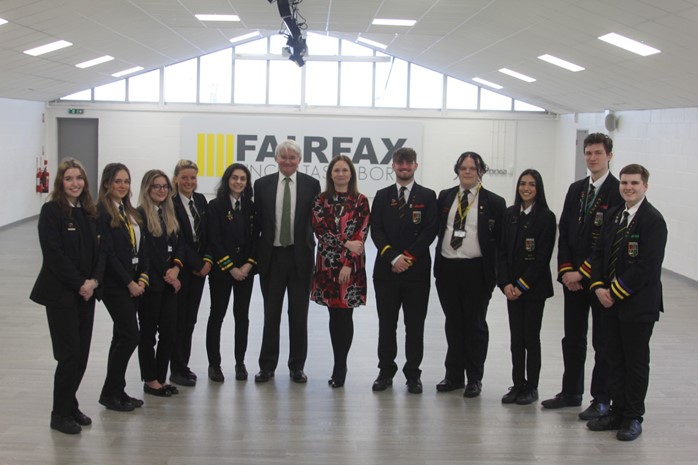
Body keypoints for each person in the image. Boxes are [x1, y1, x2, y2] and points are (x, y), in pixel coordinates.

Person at [542, 133, 623, 420]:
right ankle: (571, 392)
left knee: (602, 342)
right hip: (572, 282)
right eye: (588, 153)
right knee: (573, 338)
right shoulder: (576, 189)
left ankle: (601, 398)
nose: (592, 158)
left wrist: (583, 271)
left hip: (599, 281)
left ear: (609, 155)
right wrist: (566, 270)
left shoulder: (617, 190)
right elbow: (564, 231)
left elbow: (607, 241)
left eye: (598, 153)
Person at [587, 164, 667, 441]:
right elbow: (598, 254)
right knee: (614, 359)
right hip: (608, 303)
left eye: (634, 183)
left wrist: (614, 292)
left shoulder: (653, 221)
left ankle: (633, 416)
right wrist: (598, 287)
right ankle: (617, 411)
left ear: (645, 186)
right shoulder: (613, 215)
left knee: (635, 361)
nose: (628, 188)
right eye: (624, 183)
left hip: (637, 306)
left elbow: (646, 267)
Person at [30, 158, 104, 435]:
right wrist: (80, 284)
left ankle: (70, 403)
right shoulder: (51, 211)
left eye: (79, 178)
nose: (75, 183)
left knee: (82, 354)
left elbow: (100, 251)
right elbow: (54, 255)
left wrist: (94, 281)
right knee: (69, 354)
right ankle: (59, 414)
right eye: (69, 179)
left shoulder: (89, 212)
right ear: (61, 183)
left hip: (86, 294)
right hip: (62, 295)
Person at [434, 151, 506, 398]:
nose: (467, 172)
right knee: (453, 324)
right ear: (457, 171)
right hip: (448, 268)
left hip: (476, 271)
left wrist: (496, 275)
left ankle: (474, 378)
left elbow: (500, 244)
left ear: (480, 171)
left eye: (472, 168)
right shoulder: (444, 197)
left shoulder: (495, 202)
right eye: (463, 168)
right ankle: (453, 376)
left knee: (474, 326)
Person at [370, 147, 437, 394]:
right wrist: (392, 257)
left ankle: (413, 375)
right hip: (386, 272)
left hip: (416, 273)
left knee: (415, 325)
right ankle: (385, 371)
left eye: (409, 164)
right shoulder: (381, 195)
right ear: (393, 166)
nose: (404, 167)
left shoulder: (428, 196)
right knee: (387, 324)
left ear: (416, 166)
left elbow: (430, 231)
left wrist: (407, 258)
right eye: (400, 163)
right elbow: (375, 230)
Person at [253, 140, 321, 383]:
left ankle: (297, 366)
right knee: (271, 314)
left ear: (299, 160)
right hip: (271, 258)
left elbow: (317, 220)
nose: (288, 161)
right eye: (284, 157)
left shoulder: (312, 185)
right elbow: (258, 222)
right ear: (276, 159)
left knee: (298, 315)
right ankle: (267, 366)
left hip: (300, 257)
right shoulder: (261, 185)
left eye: (293, 157)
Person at [496, 169, 556, 405]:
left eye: (531, 184)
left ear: (538, 188)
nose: (526, 188)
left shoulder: (546, 217)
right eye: (522, 184)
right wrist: (506, 284)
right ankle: (517, 383)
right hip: (511, 291)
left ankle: (532, 387)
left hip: (533, 290)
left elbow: (542, 258)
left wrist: (521, 285)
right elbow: (501, 251)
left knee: (531, 338)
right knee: (516, 339)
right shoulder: (510, 215)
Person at [311, 155, 370, 388]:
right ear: (331, 174)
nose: (341, 174)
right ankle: (338, 363)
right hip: (327, 264)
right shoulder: (321, 199)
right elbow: (320, 229)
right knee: (333, 315)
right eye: (337, 170)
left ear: (351, 173)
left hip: (351, 266)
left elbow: (362, 233)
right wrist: (345, 244)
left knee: (346, 316)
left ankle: (341, 365)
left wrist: (348, 261)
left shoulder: (361, 200)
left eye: (345, 170)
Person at [96, 163, 148, 412]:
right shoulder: (101, 213)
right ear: (107, 184)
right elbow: (108, 253)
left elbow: (140, 248)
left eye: (126, 181)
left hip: (134, 283)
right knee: (130, 336)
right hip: (116, 286)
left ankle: (116, 391)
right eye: (118, 181)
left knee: (121, 337)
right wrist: (129, 282)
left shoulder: (130, 211)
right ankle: (110, 391)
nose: (123, 186)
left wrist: (140, 280)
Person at [206, 163, 258, 382]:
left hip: (245, 272)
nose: (238, 182)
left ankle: (240, 363)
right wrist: (231, 268)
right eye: (235, 178)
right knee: (217, 316)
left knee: (242, 317)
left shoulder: (252, 207)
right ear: (227, 180)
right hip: (222, 272)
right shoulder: (215, 206)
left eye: (243, 178)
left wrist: (247, 265)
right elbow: (213, 240)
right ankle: (214, 365)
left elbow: (257, 239)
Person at [137, 169, 183, 397]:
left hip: (169, 283)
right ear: (147, 189)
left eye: (165, 186)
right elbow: (148, 252)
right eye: (156, 186)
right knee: (148, 334)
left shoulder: (168, 213)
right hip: (151, 284)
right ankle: (150, 379)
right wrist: (168, 273)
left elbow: (178, 245)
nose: (162, 190)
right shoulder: (140, 216)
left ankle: (161, 378)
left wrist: (176, 268)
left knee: (169, 332)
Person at [170, 160, 212, 387]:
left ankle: (183, 365)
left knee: (190, 320)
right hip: (181, 269)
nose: (189, 182)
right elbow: (178, 240)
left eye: (193, 178)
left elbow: (206, 234)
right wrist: (197, 263)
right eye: (184, 177)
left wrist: (206, 261)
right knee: (177, 320)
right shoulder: (170, 203)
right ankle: (175, 368)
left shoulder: (200, 200)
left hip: (200, 270)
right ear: (176, 178)